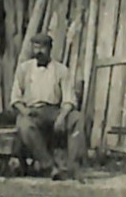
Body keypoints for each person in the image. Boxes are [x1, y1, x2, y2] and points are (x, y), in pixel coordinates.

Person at [11, 32, 79, 180]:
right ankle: (49, 166)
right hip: (33, 111)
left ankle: (73, 167)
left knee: (76, 118)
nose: (39, 52)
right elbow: (16, 98)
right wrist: (25, 111)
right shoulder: (24, 69)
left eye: (43, 48)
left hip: (55, 111)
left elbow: (69, 99)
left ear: (50, 49)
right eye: (36, 48)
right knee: (24, 125)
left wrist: (62, 117)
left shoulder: (61, 70)